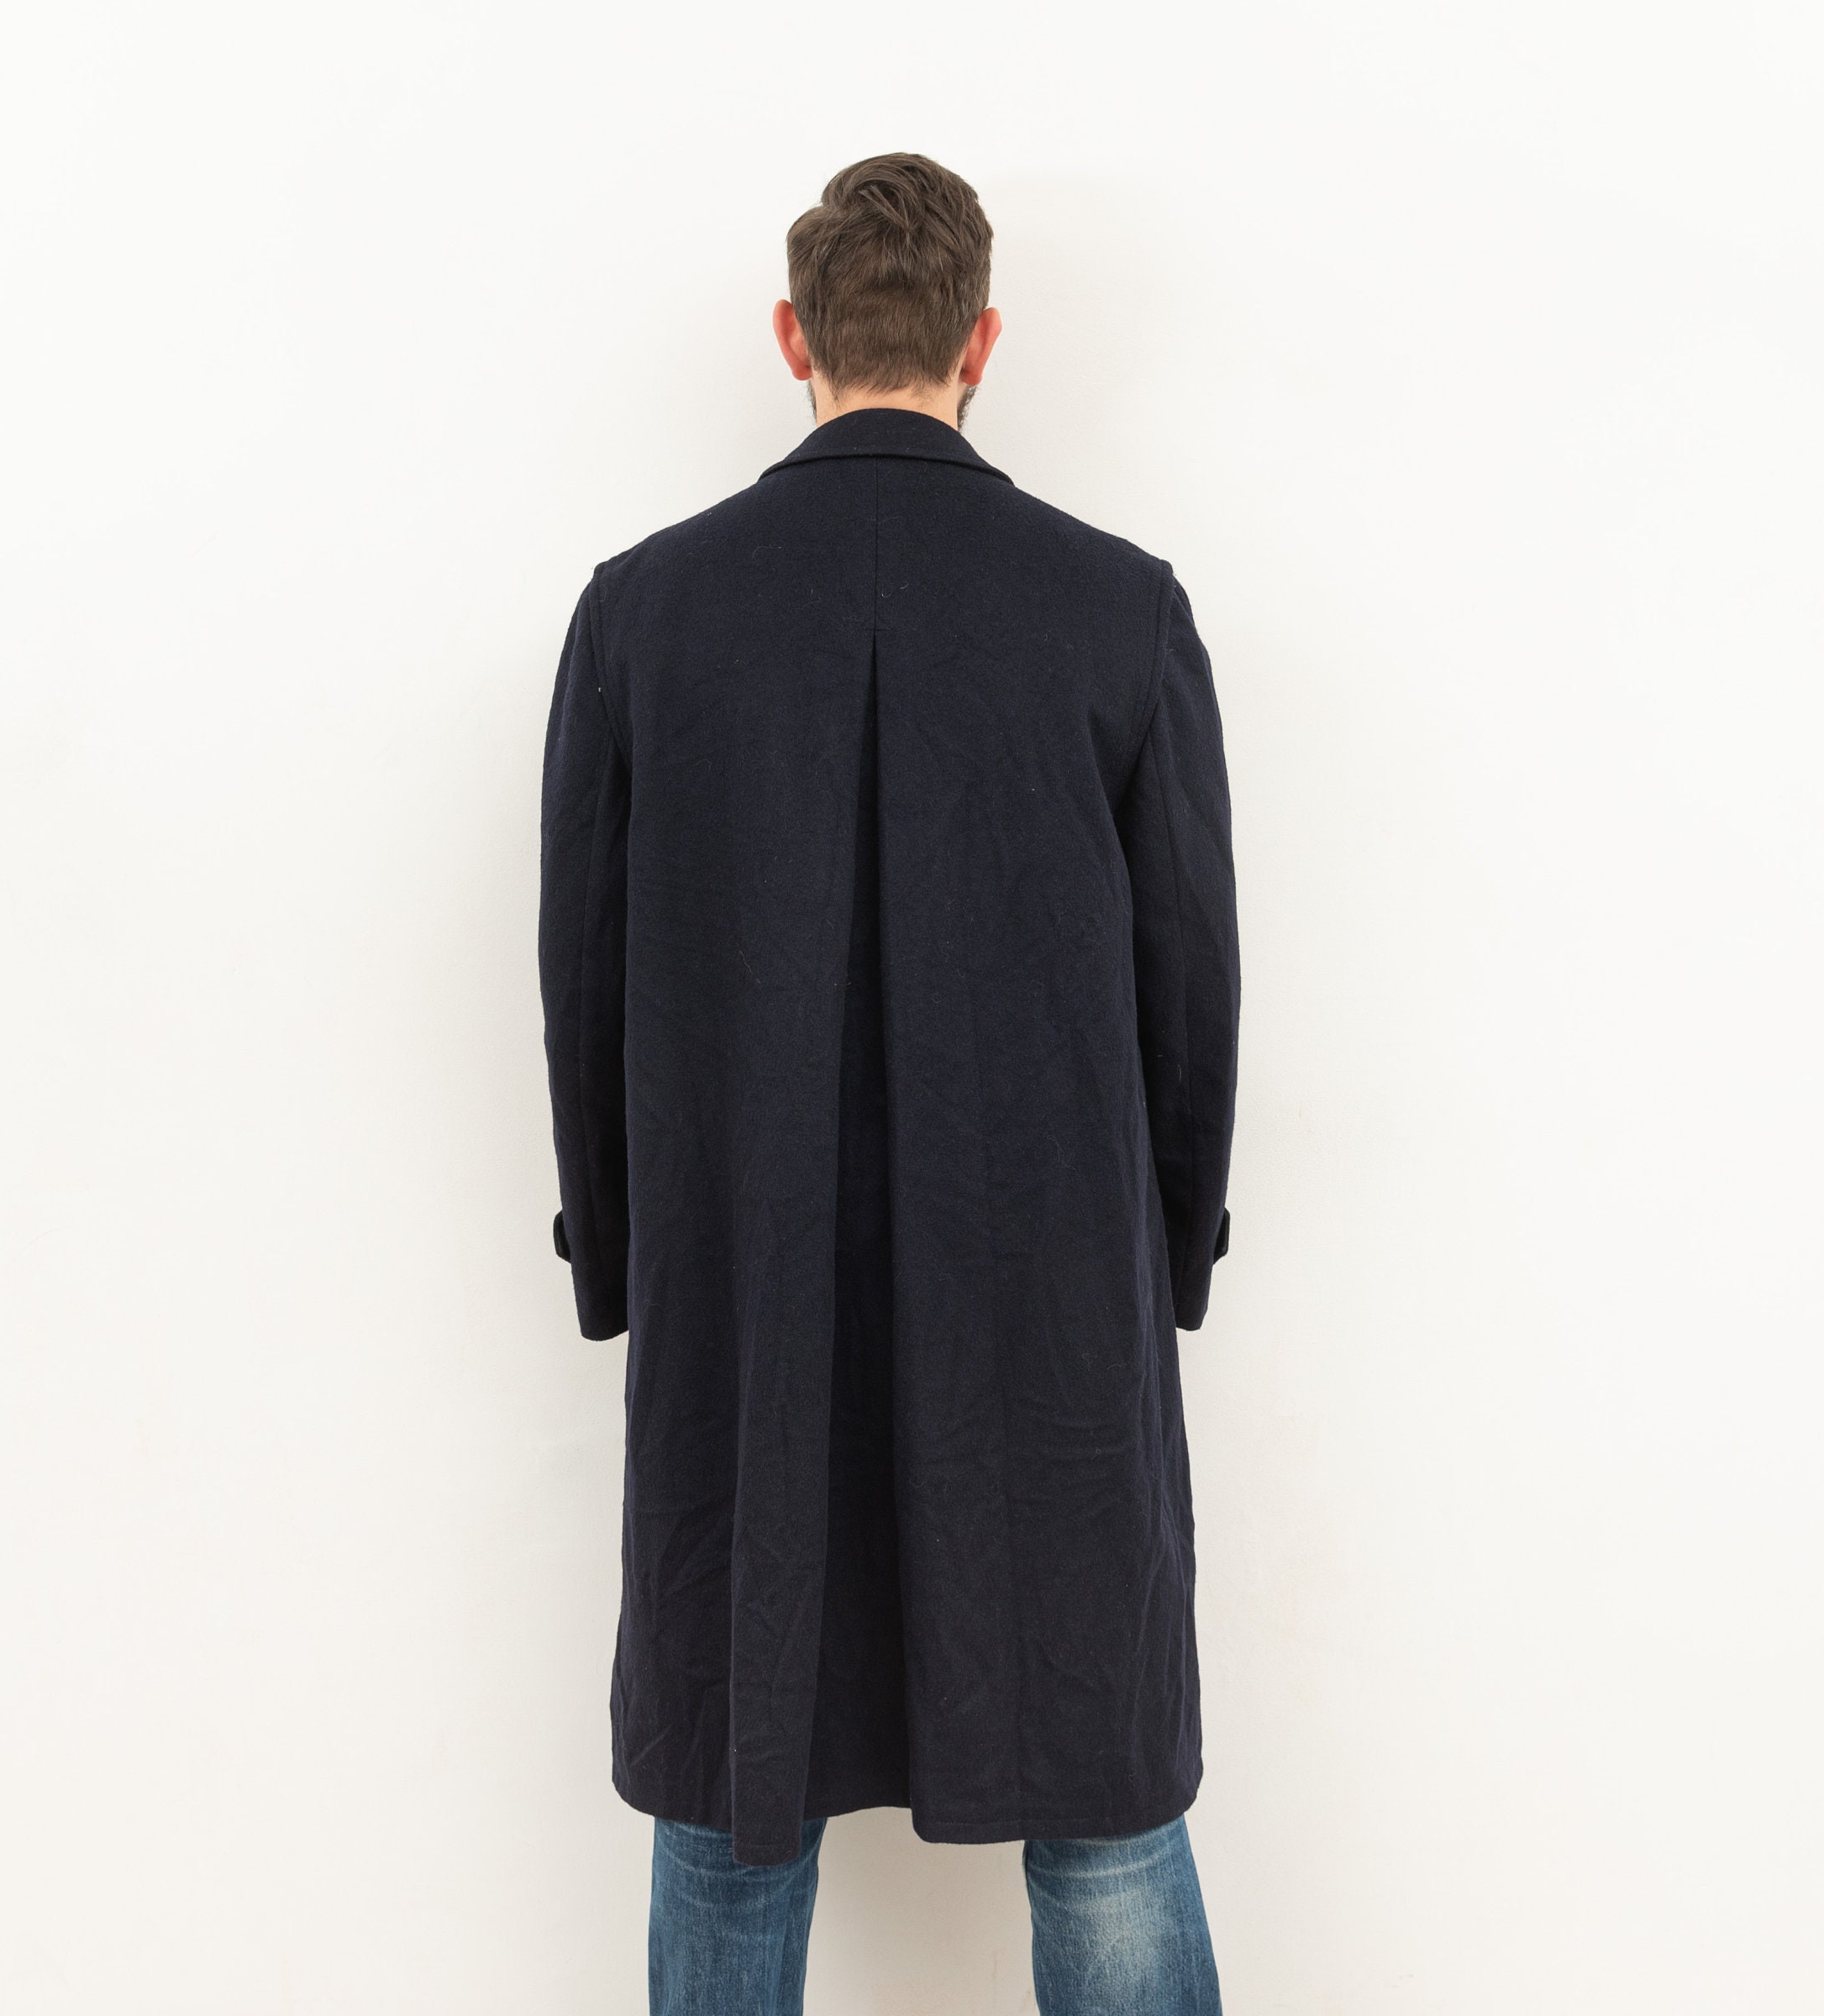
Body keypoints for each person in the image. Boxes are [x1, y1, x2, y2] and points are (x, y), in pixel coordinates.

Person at [538, 152, 1239, 2015]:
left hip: (747, 1303)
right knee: (1100, 1797)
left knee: (733, 1796)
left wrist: (624, 1264)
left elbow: (581, 986)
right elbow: (1191, 995)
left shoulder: (645, 615)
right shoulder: (1119, 610)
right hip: (1049, 1314)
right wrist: (1164, 1267)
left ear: (795, 338)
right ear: (981, 342)